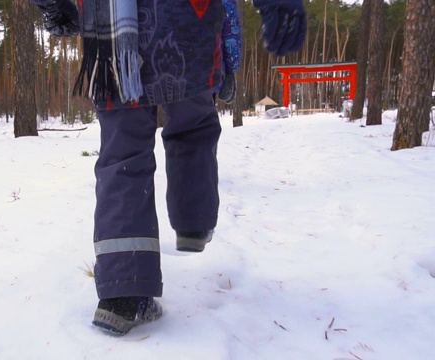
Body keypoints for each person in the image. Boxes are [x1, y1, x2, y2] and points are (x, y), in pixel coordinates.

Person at [31, 0, 306, 336]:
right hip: (188, 22)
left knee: (122, 156)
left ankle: (123, 294)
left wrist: (53, 5)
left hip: (112, 34)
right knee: (193, 126)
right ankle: (194, 222)